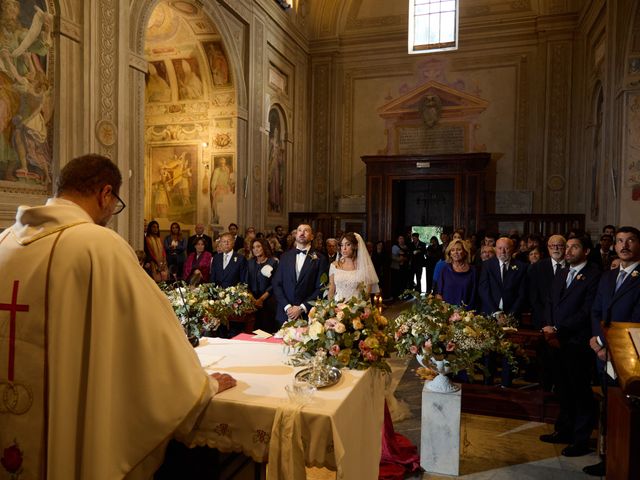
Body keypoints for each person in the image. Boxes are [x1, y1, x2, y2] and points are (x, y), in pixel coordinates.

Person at [0, 154, 236, 479]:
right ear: (105, 194)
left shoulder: (4, 241)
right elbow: (154, 337)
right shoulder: (98, 245)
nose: (112, 214)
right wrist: (202, 385)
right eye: (116, 204)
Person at [584, 226, 640, 476]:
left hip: (630, 357)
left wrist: (612, 347)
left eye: (630, 241)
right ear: (614, 246)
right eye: (619, 241)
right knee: (608, 408)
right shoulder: (609, 276)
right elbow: (597, 310)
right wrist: (597, 340)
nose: (624, 245)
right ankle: (608, 457)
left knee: (627, 412)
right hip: (603, 353)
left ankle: (626, 460)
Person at [540, 236, 600, 458]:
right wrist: (548, 325)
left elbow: (587, 311)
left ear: (585, 251)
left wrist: (559, 329)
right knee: (563, 389)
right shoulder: (563, 272)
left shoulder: (594, 275)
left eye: (574, 247)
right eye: (567, 246)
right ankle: (563, 430)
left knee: (579, 392)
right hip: (555, 342)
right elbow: (550, 301)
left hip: (576, 342)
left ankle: (580, 440)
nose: (568, 250)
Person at [272, 224, 329, 326]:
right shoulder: (285, 256)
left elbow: (322, 288)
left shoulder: (320, 259)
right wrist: (287, 307)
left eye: (306, 231)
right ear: (296, 235)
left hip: (308, 315)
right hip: (285, 314)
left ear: (312, 236)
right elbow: (277, 284)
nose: (302, 233)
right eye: (299, 230)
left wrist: (302, 307)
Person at [327, 232, 379, 301]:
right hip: (337, 308)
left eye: (348, 245)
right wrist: (330, 308)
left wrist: (356, 308)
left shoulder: (365, 268)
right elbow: (331, 290)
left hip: (357, 308)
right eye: (342, 245)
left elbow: (366, 296)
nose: (344, 248)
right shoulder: (334, 266)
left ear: (356, 246)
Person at [246, 238, 279, 333]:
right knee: (254, 330)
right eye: (253, 247)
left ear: (264, 247)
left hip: (268, 300)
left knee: (267, 330)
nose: (255, 249)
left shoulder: (273, 262)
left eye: (258, 246)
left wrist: (261, 299)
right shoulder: (250, 263)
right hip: (253, 301)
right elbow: (246, 282)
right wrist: (253, 299)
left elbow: (274, 284)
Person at [435, 239, 478, 310]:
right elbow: (438, 294)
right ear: (450, 254)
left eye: (459, 249)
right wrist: (444, 310)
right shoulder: (444, 269)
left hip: (467, 313)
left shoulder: (473, 271)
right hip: (447, 312)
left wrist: (467, 312)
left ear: (465, 252)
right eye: (452, 250)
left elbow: (474, 295)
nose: (455, 252)